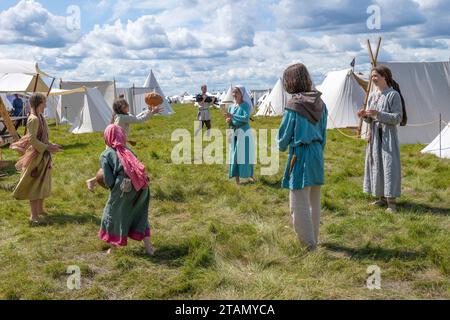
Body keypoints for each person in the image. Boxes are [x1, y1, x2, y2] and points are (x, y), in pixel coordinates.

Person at [277, 63, 328, 251]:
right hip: (316, 154)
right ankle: (314, 238)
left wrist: (282, 144)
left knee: (298, 203)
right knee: (314, 200)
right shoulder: (321, 103)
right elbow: (323, 134)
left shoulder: (294, 105)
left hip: (300, 155)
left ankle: (308, 245)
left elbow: (283, 138)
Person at [98, 124, 155, 256]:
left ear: (107, 138)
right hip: (143, 187)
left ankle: (113, 248)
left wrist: (113, 191)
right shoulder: (128, 151)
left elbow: (109, 180)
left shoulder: (106, 154)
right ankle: (149, 248)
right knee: (140, 214)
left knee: (112, 214)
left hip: (124, 187)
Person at [86, 98, 162, 191]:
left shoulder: (120, 116)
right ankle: (131, 184)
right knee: (128, 164)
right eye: (127, 105)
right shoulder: (123, 117)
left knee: (117, 166)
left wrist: (148, 111)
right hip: (117, 147)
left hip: (115, 145)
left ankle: (93, 181)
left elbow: (135, 117)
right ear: (122, 107)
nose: (128, 106)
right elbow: (138, 120)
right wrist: (151, 113)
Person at [10, 93, 63, 224]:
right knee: (34, 184)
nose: (46, 104)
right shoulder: (33, 119)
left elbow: (42, 137)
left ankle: (40, 209)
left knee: (43, 182)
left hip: (43, 155)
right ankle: (33, 216)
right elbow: (33, 140)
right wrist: (47, 148)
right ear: (39, 103)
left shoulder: (40, 117)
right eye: (44, 102)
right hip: (35, 157)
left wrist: (50, 145)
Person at [358, 65, 403, 213]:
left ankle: (392, 203)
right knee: (376, 165)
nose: (373, 78)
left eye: (376, 75)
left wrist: (378, 114)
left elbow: (397, 117)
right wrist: (366, 116)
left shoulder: (393, 95)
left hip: (387, 137)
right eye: (372, 76)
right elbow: (371, 119)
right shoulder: (372, 95)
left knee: (389, 166)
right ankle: (380, 197)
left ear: (385, 77)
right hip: (374, 137)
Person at [225, 86, 256, 185]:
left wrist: (232, 116)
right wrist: (229, 121)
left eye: (236, 92)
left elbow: (245, 118)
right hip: (234, 132)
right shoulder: (231, 106)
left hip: (244, 132)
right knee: (235, 155)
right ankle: (237, 180)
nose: (234, 94)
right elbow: (231, 121)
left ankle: (250, 175)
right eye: (233, 92)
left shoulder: (245, 105)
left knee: (245, 155)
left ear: (241, 94)